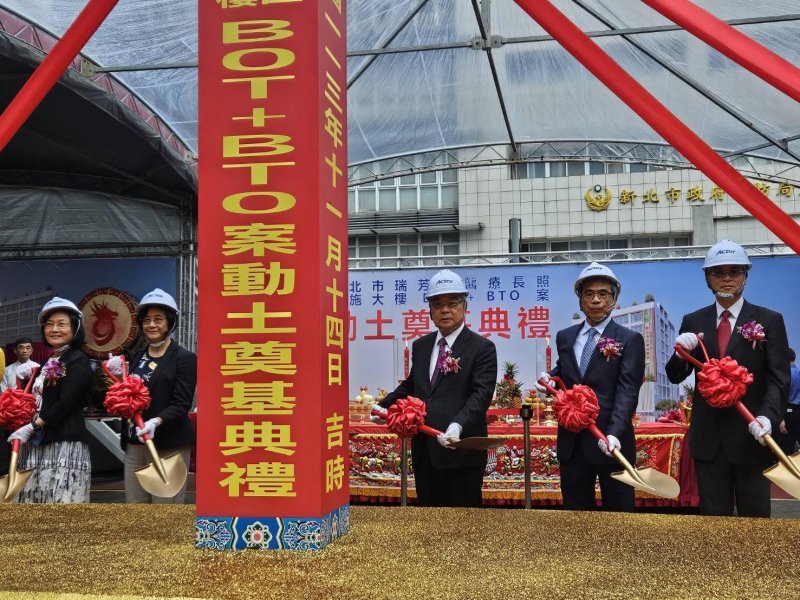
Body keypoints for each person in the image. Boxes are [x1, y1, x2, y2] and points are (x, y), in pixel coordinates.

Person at [666, 240, 790, 517]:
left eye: (734, 272)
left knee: (755, 516)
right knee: (713, 518)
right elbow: (676, 375)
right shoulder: (693, 320)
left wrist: (768, 417)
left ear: (745, 275)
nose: (727, 279)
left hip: (752, 434)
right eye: (718, 273)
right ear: (708, 278)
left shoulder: (769, 320)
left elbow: (778, 378)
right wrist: (682, 353)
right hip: (709, 439)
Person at [375, 269, 497, 507]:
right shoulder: (422, 346)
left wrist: (457, 425)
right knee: (427, 523)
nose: (445, 310)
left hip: (460, 451)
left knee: (465, 523)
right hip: (426, 451)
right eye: (437, 304)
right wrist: (383, 404)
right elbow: (412, 384)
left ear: (464, 306)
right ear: (429, 310)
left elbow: (481, 395)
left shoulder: (482, 348)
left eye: (452, 303)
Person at [537, 262, 645, 511]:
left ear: (615, 299)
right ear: (580, 299)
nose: (596, 300)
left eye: (603, 294)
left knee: (619, 516)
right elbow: (567, 372)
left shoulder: (629, 339)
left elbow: (628, 390)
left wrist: (614, 433)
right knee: (576, 516)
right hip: (572, 443)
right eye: (589, 294)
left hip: (609, 442)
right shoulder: (565, 336)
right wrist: (549, 379)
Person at [107, 288, 196, 503]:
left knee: (165, 508)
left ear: (170, 322)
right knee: (136, 508)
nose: (152, 325)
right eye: (146, 320)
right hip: (135, 443)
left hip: (168, 443)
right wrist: (117, 376)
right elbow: (127, 397)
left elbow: (181, 403)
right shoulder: (136, 356)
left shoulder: (184, 358)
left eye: (158, 319)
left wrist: (156, 421)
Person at [7, 297, 93, 503]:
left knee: (60, 504)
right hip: (38, 444)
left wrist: (32, 426)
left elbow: (66, 402)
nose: (54, 329)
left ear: (75, 328)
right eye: (49, 324)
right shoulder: (47, 361)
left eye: (62, 324)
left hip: (63, 444)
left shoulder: (78, 360)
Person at [779, 349, 800, 454]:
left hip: (787, 411)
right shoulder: (798, 372)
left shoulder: (785, 375)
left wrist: (781, 418)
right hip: (797, 412)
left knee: (782, 446)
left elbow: (782, 396)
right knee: (792, 442)